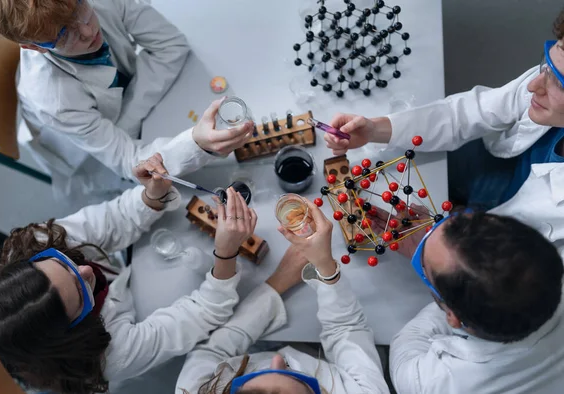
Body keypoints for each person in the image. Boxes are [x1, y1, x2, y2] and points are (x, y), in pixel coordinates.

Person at [0, 154, 257, 394]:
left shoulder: (37, 243)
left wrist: (151, 196)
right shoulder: (110, 355)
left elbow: (114, 220)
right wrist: (226, 252)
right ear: (75, 328)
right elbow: (203, 312)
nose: (85, 268)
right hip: (142, 306)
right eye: (81, 290)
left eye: (62, 262)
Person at [324, 10, 564, 250]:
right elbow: (465, 114)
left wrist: (434, 251)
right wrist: (374, 129)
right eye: (547, 64)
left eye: (560, 83)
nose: (534, 85)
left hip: (498, 241)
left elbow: (526, 278)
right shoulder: (552, 72)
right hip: (483, 168)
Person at [0, 0, 253, 201]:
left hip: (120, 113)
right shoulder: (52, 99)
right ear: (33, 47)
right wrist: (197, 144)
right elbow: (131, 162)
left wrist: (127, 120)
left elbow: (172, 45)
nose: (86, 30)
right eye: (63, 33)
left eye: (79, 8)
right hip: (86, 157)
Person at [176, 199, 390, 394]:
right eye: (296, 377)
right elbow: (347, 329)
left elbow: (212, 351)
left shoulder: (196, 389)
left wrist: (278, 282)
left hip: (251, 342)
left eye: (252, 382)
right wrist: (325, 268)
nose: (278, 359)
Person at [368, 208, 564, 393]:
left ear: (452, 317)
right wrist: (433, 257)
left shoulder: (430, 382)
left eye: (426, 269)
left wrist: (422, 255)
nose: (432, 230)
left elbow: (407, 341)